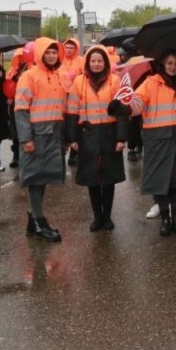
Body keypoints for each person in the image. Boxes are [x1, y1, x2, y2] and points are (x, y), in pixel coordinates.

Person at [130, 50, 176, 236]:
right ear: (163, 64)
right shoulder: (150, 82)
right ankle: (165, 219)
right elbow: (138, 102)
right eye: (169, 63)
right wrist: (126, 109)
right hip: (157, 138)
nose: (173, 67)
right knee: (161, 181)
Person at [66, 46, 129, 231]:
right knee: (92, 178)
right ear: (87, 62)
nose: (96, 64)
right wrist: (73, 138)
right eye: (93, 60)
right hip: (88, 134)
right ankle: (97, 217)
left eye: (99, 60)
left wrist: (121, 138)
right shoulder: (78, 82)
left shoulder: (115, 81)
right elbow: (72, 111)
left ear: (105, 63)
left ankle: (107, 217)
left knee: (109, 178)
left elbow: (123, 112)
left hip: (110, 134)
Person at [14, 38, 68, 242]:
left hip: (53, 132)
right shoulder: (29, 76)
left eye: (55, 52)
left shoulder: (58, 76)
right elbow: (20, 109)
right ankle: (38, 220)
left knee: (43, 177)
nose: (52, 56)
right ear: (40, 54)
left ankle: (34, 220)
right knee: (35, 178)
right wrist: (26, 138)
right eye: (48, 52)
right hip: (36, 134)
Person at [4, 45, 34, 169]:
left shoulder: (32, 69)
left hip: (29, 105)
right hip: (14, 104)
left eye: (23, 56)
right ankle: (16, 155)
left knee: (27, 129)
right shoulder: (13, 70)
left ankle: (28, 155)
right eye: (19, 57)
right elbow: (7, 84)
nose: (21, 59)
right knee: (15, 130)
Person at [61, 38, 85, 166]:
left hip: (76, 97)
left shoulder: (81, 61)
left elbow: (84, 76)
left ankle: (74, 153)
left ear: (76, 49)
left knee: (74, 125)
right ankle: (63, 150)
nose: (69, 50)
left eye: (71, 47)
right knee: (64, 127)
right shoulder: (60, 60)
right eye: (67, 47)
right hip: (63, 97)